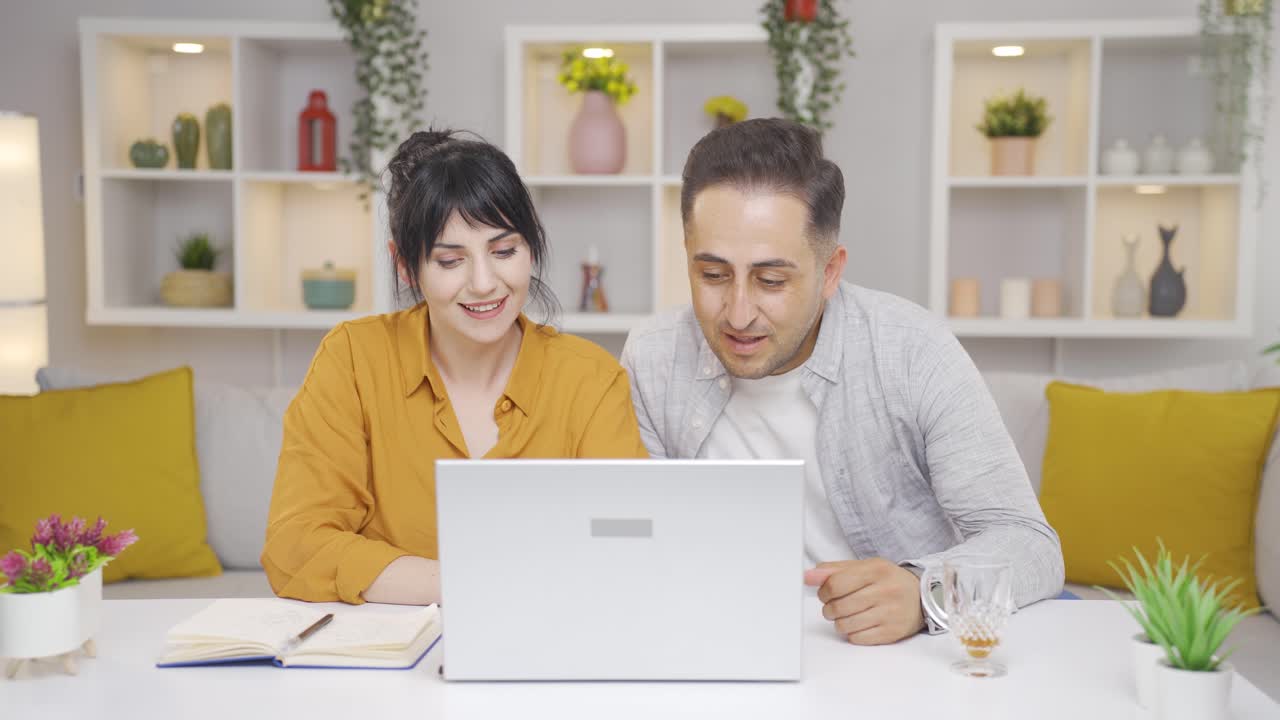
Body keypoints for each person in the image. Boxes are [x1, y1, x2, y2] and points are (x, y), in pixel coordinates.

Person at [620, 118, 1064, 645]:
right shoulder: (652, 356)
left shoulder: (912, 350)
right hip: (717, 641)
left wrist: (924, 593)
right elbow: (638, 539)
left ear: (830, 271)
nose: (738, 313)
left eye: (771, 280)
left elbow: (1031, 543)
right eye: (712, 275)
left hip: (888, 664)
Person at [263, 129, 648, 605]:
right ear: (406, 266)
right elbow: (295, 544)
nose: (484, 283)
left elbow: (628, 548)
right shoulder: (353, 360)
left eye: (505, 252)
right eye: (450, 260)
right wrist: (465, 585)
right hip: (382, 662)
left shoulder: (590, 378)